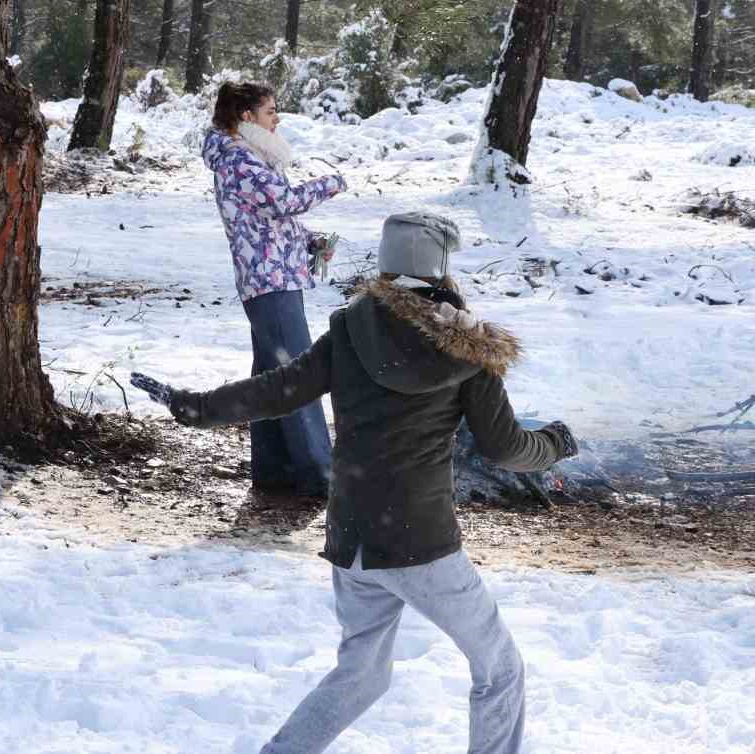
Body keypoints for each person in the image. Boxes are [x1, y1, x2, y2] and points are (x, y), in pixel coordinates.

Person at [132, 211, 579, 754]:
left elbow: (278, 391)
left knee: (363, 673)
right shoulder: (468, 352)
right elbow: (507, 448)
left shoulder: (349, 328)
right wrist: (555, 443)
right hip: (420, 543)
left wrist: (197, 407)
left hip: (353, 538)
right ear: (440, 268)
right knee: (500, 669)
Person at [203, 81, 346, 497]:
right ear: (246, 116)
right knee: (296, 375)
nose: (276, 118)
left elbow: (271, 217)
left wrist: (309, 241)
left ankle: (275, 471)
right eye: (270, 111)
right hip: (268, 279)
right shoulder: (237, 160)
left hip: (276, 275)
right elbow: (283, 201)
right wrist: (331, 183)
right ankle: (320, 474)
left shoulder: (249, 157)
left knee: (271, 375)